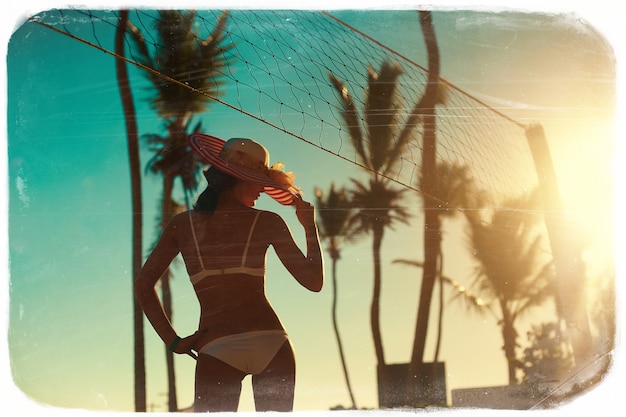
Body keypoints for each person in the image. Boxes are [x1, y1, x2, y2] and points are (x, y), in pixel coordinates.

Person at [135, 133, 324, 412]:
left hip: (217, 346)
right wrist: (309, 227)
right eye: (258, 182)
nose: (262, 190)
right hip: (271, 342)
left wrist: (173, 340)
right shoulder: (268, 221)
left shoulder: (182, 225)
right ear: (239, 178)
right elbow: (314, 281)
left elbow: (143, 285)